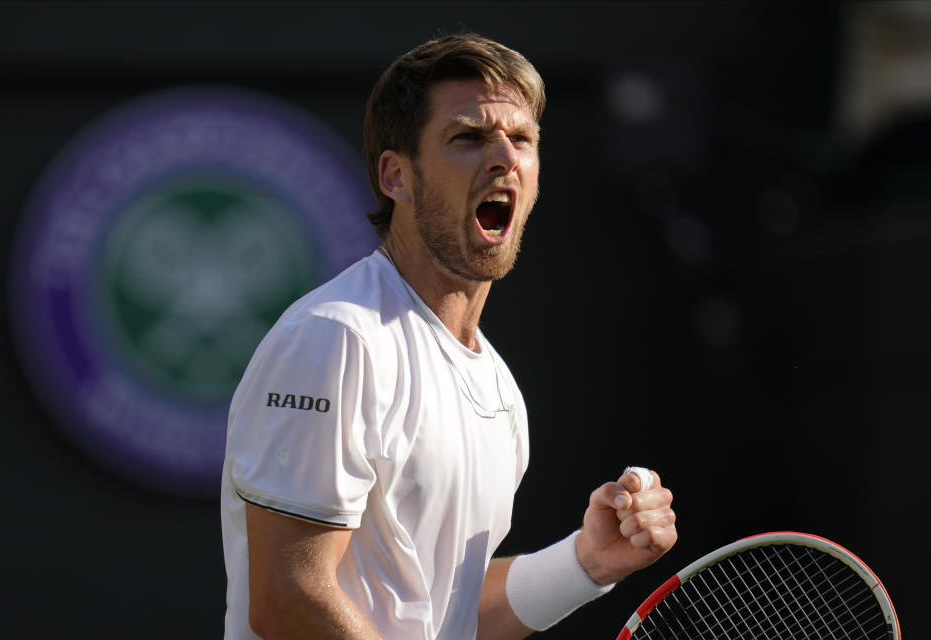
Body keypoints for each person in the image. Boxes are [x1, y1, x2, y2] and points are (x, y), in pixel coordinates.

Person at [221, 33, 677, 639]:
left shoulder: (497, 386)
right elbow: (289, 598)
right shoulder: (335, 339)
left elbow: (445, 614)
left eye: (522, 139)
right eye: (468, 138)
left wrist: (586, 563)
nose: (504, 158)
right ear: (397, 176)